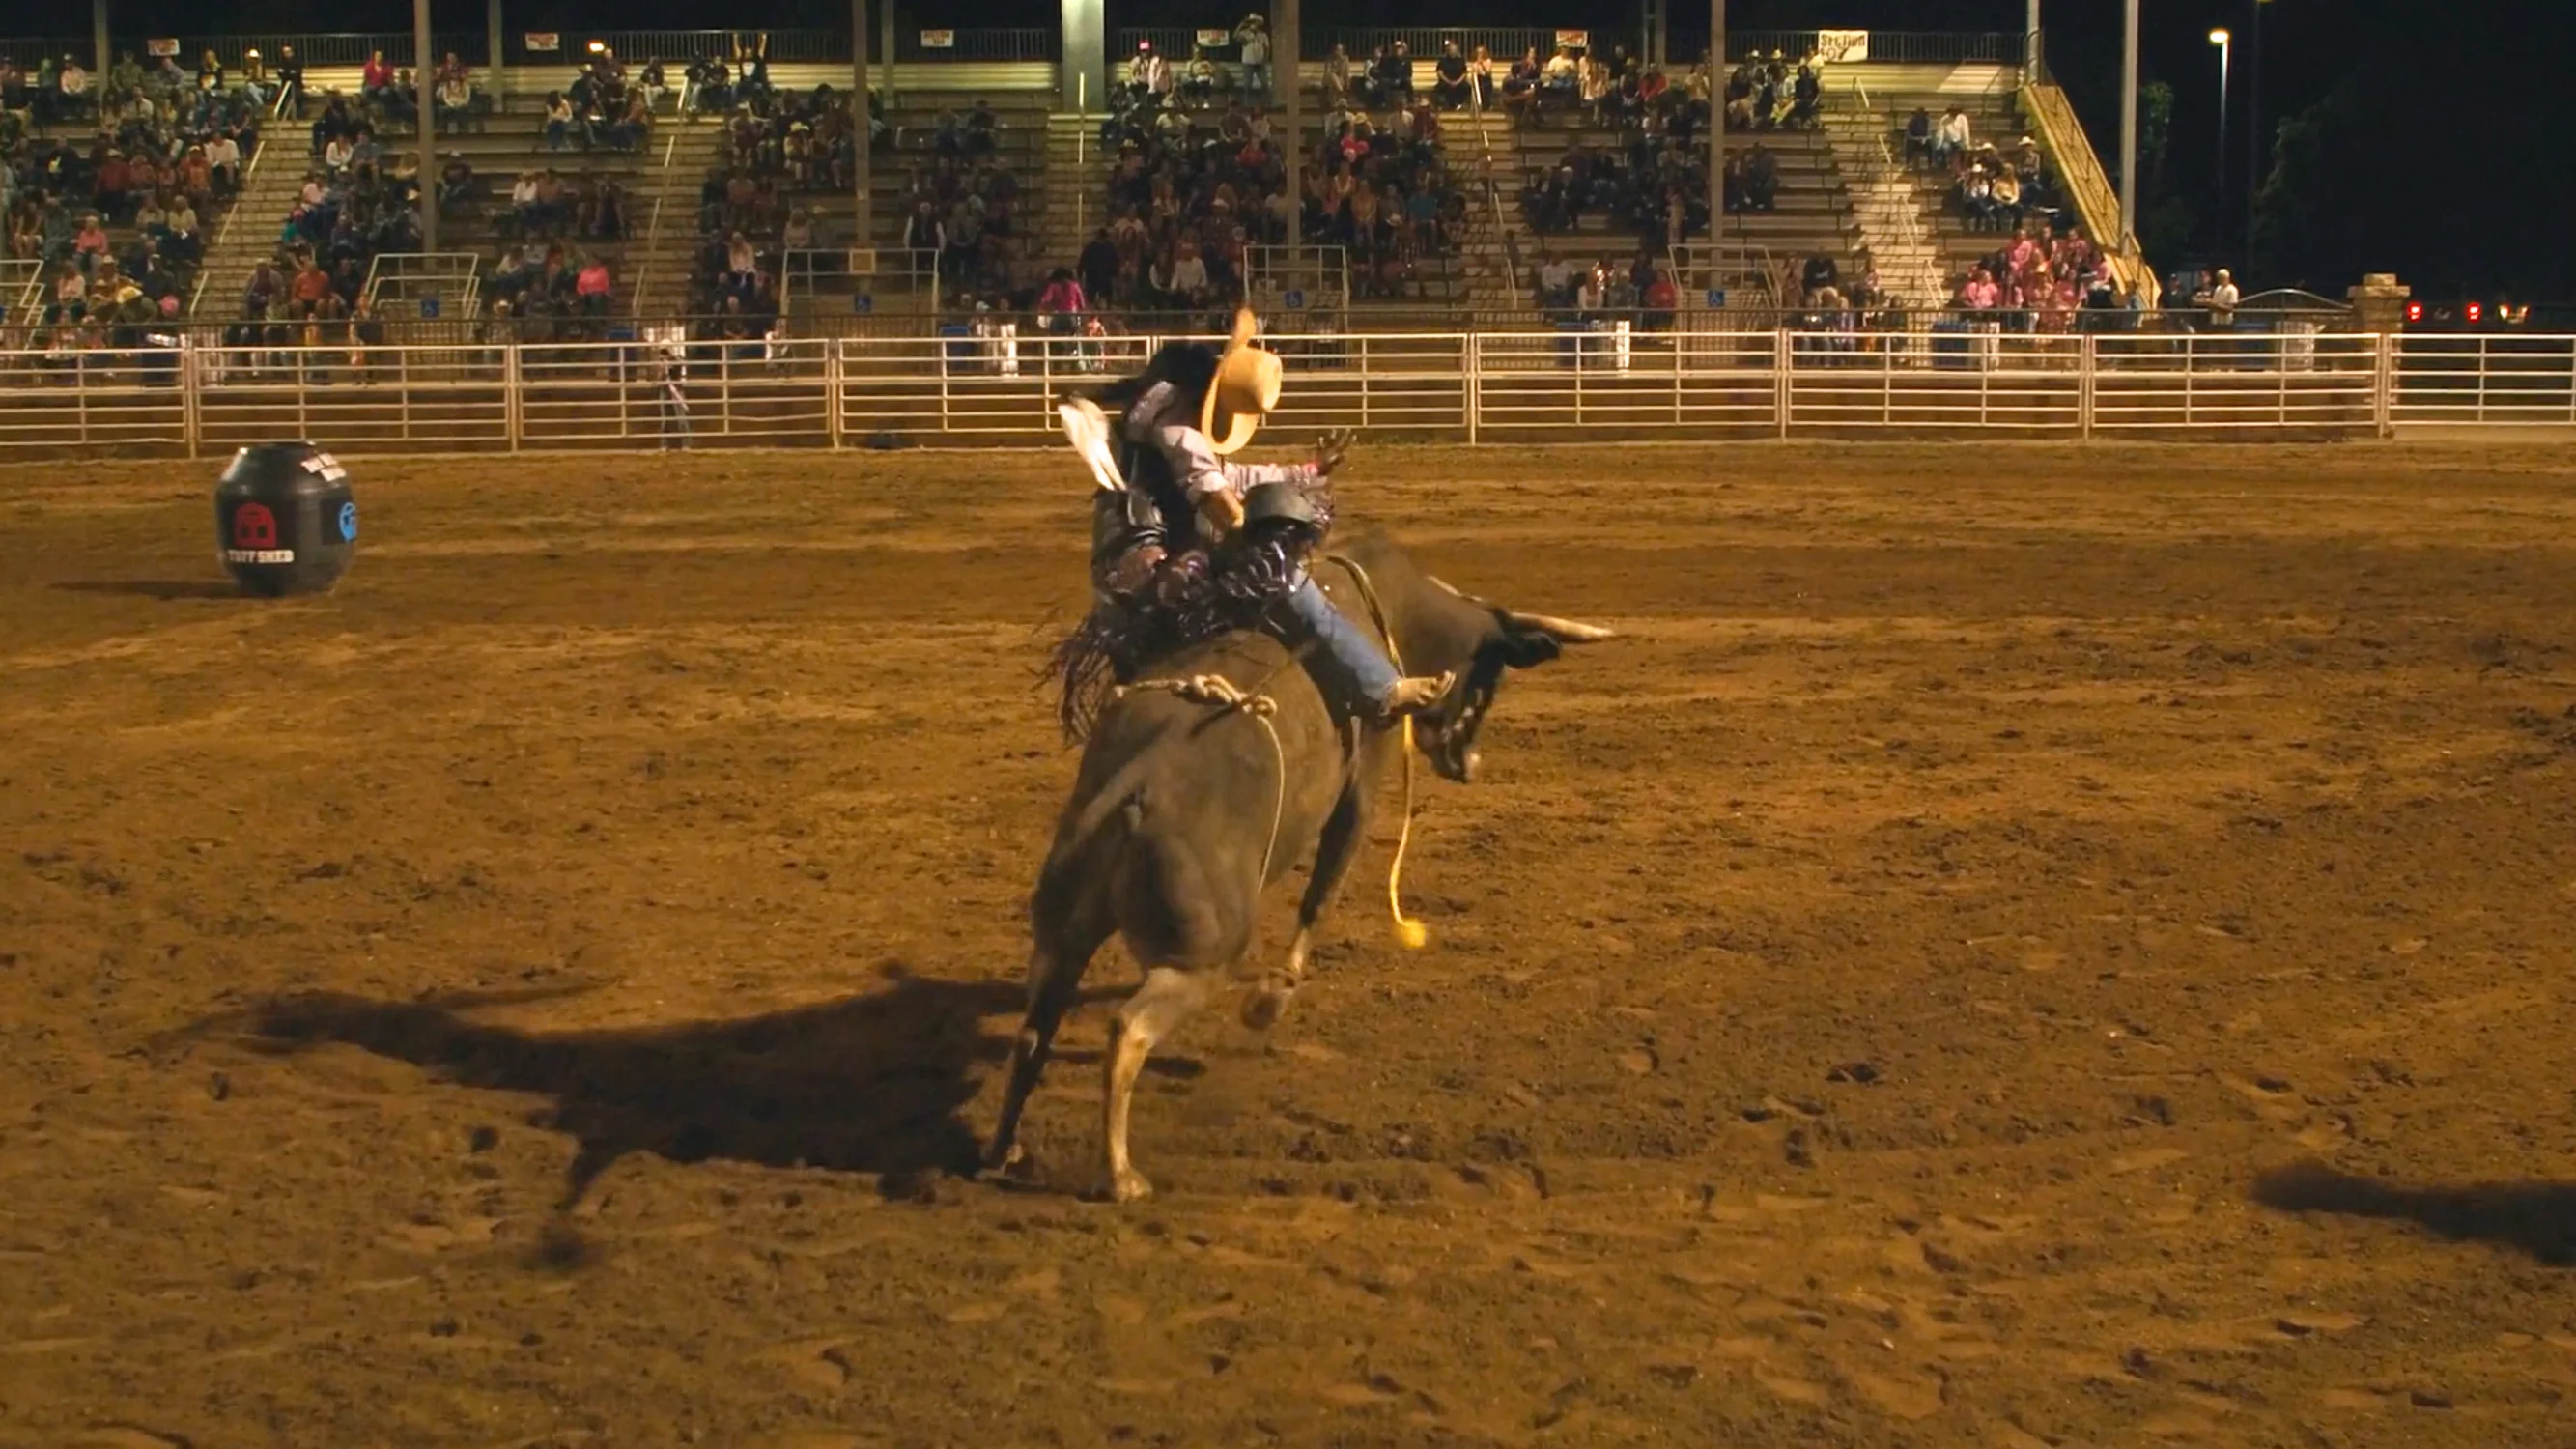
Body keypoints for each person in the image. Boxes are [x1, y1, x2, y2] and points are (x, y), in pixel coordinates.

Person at [1065, 310, 1452, 722]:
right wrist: (1248, 533)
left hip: (1127, 581)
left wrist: (1306, 472)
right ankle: (1380, 687)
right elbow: (1215, 492)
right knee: (1280, 575)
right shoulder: (1178, 430)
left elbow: (1227, 475)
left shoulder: (1153, 426)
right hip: (1158, 579)